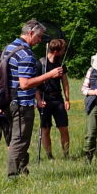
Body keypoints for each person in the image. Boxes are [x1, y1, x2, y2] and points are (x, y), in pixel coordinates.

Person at [6, 19, 65, 178]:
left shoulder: (10, 48)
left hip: (9, 100)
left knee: (19, 138)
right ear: (30, 33)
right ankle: (13, 176)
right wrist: (49, 75)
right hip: (21, 102)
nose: (40, 40)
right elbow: (25, 84)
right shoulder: (26, 55)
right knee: (19, 140)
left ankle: (23, 171)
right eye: (38, 37)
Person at [39, 38, 72, 158]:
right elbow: (36, 85)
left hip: (58, 99)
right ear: (56, 51)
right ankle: (49, 155)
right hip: (44, 100)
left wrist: (67, 99)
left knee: (63, 128)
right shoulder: (41, 63)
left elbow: (65, 83)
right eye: (62, 50)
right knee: (45, 129)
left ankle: (66, 154)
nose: (64, 52)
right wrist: (38, 100)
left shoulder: (61, 63)